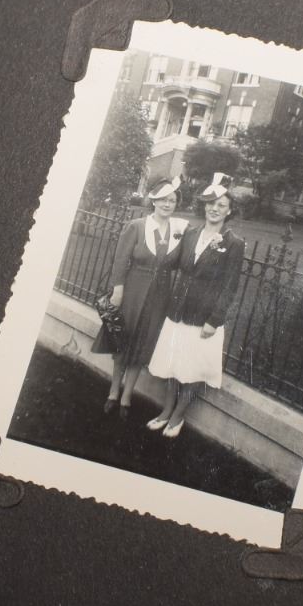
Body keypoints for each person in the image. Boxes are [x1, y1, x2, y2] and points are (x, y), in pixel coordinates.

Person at [146, 173, 244, 438]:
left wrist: (214, 319)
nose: (214, 209)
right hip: (178, 311)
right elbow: (172, 262)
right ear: (204, 206)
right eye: (211, 203)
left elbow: (230, 286)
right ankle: (166, 411)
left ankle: (178, 417)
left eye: (221, 205)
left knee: (192, 369)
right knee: (172, 364)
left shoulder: (234, 243)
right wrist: (159, 232)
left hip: (203, 318)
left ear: (229, 211)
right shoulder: (190, 234)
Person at [103, 177, 183, 418]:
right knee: (123, 340)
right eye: (163, 199)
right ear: (154, 201)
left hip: (159, 296)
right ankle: (113, 391)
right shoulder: (137, 226)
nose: (167, 204)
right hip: (133, 290)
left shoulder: (178, 231)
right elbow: (120, 260)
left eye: (172, 200)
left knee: (143, 344)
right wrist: (118, 289)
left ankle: (127, 395)